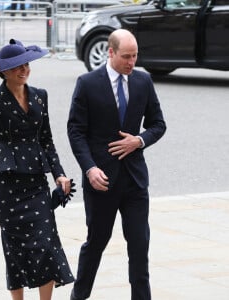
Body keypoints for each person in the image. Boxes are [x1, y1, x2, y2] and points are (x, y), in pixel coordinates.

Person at [67, 29, 167, 300]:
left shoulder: (143, 82)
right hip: (101, 181)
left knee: (139, 246)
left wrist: (140, 141)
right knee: (96, 243)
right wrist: (89, 169)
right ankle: (79, 295)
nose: (131, 62)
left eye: (135, 56)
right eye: (126, 56)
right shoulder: (87, 83)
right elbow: (76, 131)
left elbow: (158, 124)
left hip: (134, 182)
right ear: (110, 53)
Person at [0, 39, 74, 300]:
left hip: (36, 183)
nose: (24, 70)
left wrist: (59, 174)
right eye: (17, 66)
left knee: (47, 246)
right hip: (9, 186)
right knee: (15, 250)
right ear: (4, 71)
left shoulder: (40, 95)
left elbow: (47, 140)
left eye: (26, 65)